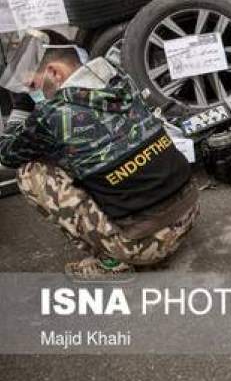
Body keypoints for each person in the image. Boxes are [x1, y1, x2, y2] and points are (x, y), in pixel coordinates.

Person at [0, 30, 198, 278]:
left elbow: (6, 154)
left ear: (54, 72)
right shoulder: (118, 78)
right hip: (189, 212)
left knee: (30, 172)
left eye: (32, 86)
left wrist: (21, 108)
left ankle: (112, 260)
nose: (33, 93)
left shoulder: (52, 113)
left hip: (145, 246)